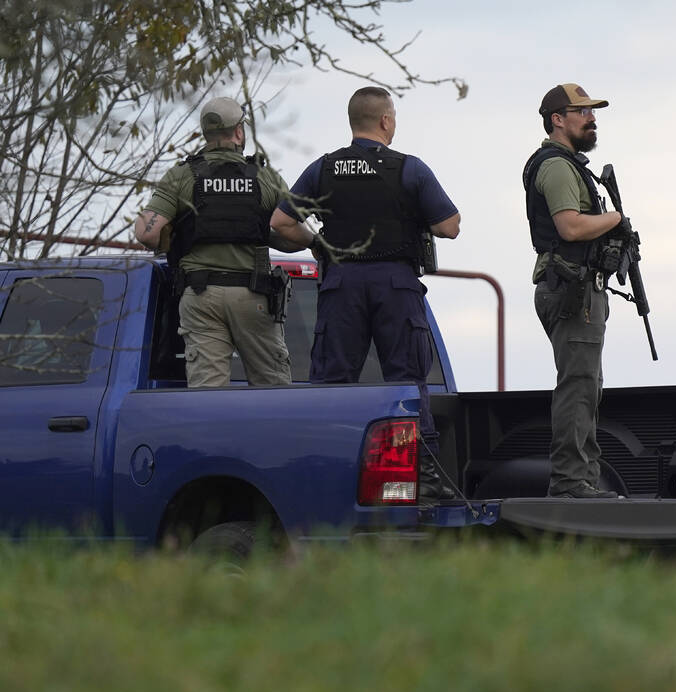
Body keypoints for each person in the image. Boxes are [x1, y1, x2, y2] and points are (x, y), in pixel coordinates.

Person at [270, 86, 461, 502]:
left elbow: (280, 222)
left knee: (333, 383)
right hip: (396, 285)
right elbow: (450, 225)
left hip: (342, 286)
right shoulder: (409, 169)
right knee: (406, 382)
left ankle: (319, 473)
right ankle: (422, 476)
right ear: (386, 121)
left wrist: (317, 243)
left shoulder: (324, 169)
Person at [134, 96, 297, 388]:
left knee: (207, 396)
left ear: (206, 133)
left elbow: (147, 233)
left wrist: (172, 235)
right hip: (254, 295)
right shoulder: (265, 177)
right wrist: (315, 243)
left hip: (201, 296)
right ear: (238, 132)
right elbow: (290, 231)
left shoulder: (182, 176)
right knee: (274, 392)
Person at [523, 83, 631, 499]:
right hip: (571, 290)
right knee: (579, 385)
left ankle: (582, 480)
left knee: (587, 386)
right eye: (582, 111)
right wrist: (616, 218)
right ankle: (571, 483)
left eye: (592, 111)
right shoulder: (557, 166)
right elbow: (570, 226)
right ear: (557, 119)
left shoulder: (569, 165)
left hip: (577, 290)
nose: (591, 118)